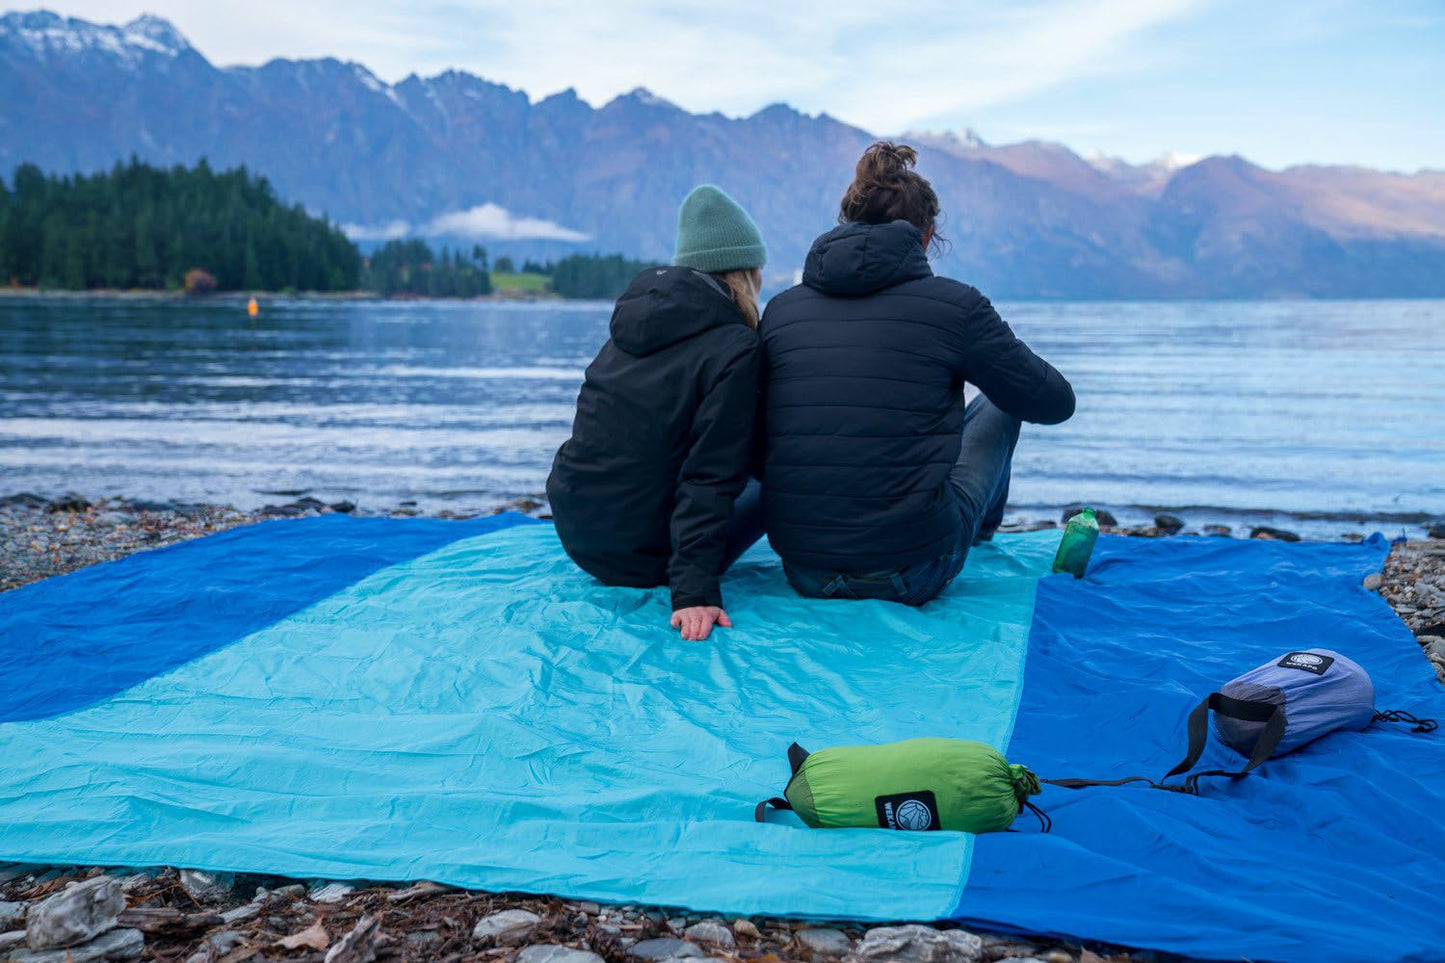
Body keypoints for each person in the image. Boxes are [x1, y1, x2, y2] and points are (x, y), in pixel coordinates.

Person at [757, 142, 1075, 606]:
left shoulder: (782, 311)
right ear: (926, 236)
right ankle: (980, 534)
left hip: (803, 568)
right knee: (998, 403)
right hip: (910, 573)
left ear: (848, 224)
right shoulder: (956, 306)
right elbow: (1054, 402)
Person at [547, 185, 767, 641]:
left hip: (581, 538)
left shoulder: (626, 330)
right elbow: (710, 475)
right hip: (644, 557)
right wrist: (693, 593)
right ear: (747, 272)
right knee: (775, 472)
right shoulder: (735, 347)